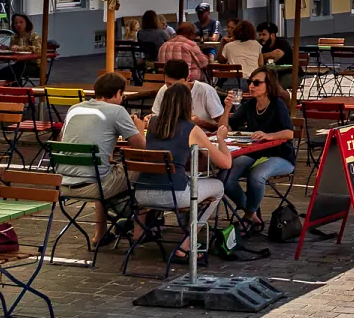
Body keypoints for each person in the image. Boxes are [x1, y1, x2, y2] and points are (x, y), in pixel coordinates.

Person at [141, 83, 229, 262]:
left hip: (142, 194)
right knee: (218, 187)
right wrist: (221, 140)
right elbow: (225, 163)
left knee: (187, 179)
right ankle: (186, 244)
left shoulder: (151, 124)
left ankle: (142, 234)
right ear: (188, 104)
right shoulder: (191, 129)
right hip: (174, 195)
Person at [56, 72, 146, 246]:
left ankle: (100, 233)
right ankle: (139, 230)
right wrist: (139, 127)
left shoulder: (74, 108)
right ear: (118, 92)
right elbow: (142, 148)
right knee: (146, 165)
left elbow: (62, 140)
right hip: (95, 186)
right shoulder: (117, 111)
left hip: (63, 183)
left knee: (101, 170)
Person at [218, 69, 295, 235]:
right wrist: (227, 108)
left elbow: (289, 133)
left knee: (256, 175)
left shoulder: (277, 104)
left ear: (269, 85)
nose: (251, 86)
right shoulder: (249, 105)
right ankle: (252, 213)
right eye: (250, 82)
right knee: (224, 176)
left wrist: (269, 135)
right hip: (255, 153)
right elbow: (224, 128)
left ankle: (248, 216)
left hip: (280, 155)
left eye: (256, 83)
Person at [151, 58, 225, 129]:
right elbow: (156, 117)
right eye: (168, 84)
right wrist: (150, 120)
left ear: (188, 78)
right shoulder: (164, 90)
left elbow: (224, 127)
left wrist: (202, 123)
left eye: (178, 85)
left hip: (204, 135)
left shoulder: (206, 91)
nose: (173, 89)